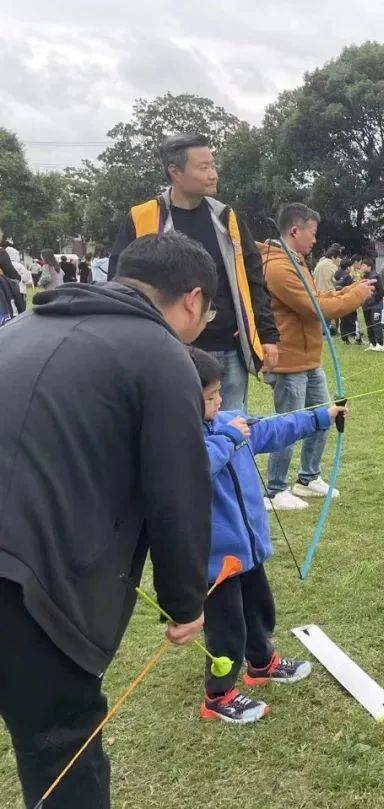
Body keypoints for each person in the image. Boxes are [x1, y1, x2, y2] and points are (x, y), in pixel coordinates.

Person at [0, 231, 215, 809]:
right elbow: (177, 492)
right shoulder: (161, 353)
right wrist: (186, 603)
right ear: (193, 299)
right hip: (25, 584)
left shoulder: (17, 328)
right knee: (60, 745)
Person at [188, 347, 344, 723]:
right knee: (226, 629)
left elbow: (275, 429)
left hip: (248, 548)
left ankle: (261, 663)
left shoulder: (231, 422)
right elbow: (197, 469)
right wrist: (228, 437)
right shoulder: (182, 443)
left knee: (258, 610)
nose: (219, 401)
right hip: (218, 561)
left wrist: (322, 416)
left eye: (219, 392)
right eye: (210, 397)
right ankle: (218, 696)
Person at [108, 133, 280, 410]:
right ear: (175, 172)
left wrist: (268, 336)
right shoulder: (143, 219)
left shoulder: (226, 218)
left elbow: (253, 279)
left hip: (228, 348)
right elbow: (120, 285)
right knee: (176, 423)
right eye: (203, 167)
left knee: (231, 427)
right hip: (170, 349)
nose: (213, 174)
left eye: (213, 165)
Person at [261, 203, 373, 510]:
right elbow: (314, 308)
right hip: (288, 362)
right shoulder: (278, 267)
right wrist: (357, 296)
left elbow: (319, 297)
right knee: (290, 424)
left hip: (308, 359)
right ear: (294, 231)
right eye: (312, 232)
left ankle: (308, 478)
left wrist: (351, 290)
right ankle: (275, 489)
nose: (315, 239)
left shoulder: (296, 261)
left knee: (325, 417)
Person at [334, 256, 363, 346]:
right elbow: (350, 288)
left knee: (343, 319)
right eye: (351, 267)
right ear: (348, 267)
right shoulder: (347, 277)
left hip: (340, 300)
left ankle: (345, 338)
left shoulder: (337, 274)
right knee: (353, 319)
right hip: (349, 300)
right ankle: (357, 337)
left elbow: (337, 286)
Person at [360, 256, 384, 351]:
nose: (361, 267)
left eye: (363, 265)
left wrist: (373, 302)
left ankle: (380, 344)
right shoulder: (364, 277)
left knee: (376, 324)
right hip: (366, 305)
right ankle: (372, 343)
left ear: (369, 266)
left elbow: (381, 292)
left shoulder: (376, 276)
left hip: (375, 305)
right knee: (369, 324)